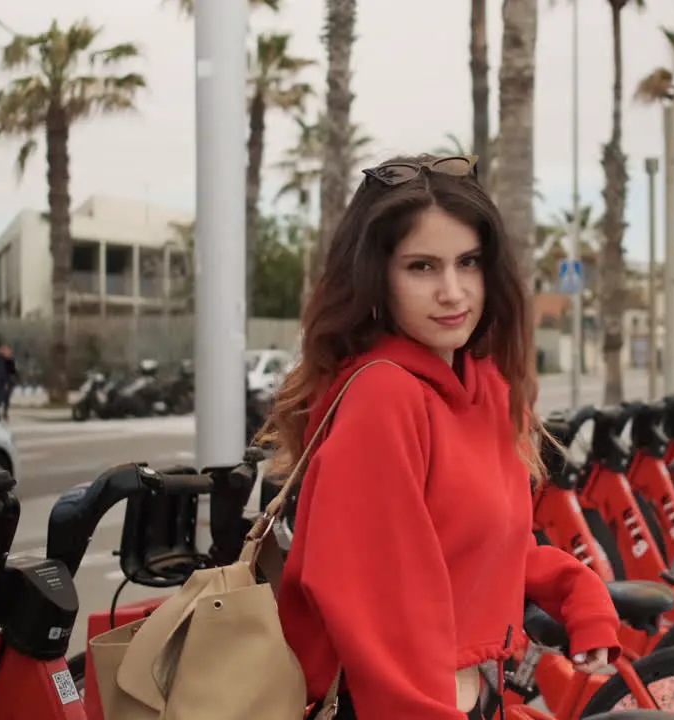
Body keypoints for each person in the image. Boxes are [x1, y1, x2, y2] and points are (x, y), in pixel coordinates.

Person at [259, 155, 620, 720]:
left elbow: (483, 543)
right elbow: (363, 602)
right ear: (377, 278)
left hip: (474, 693)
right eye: (422, 267)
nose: (452, 291)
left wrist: (578, 595)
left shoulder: (485, 388)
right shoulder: (386, 396)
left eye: (468, 262)